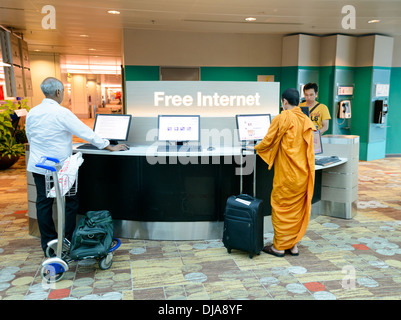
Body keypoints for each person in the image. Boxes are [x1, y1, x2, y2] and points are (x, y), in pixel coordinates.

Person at [26, 77, 128, 254]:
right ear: (58, 92)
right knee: (70, 201)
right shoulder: (61, 112)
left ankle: (49, 246)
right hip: (60, 168)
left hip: (39, 165)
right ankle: (69, 239)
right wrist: (108, 145)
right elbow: (85, 132)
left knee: (43, 204)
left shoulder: (32, 112)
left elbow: (31, 137)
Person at [254, 88, 315, 257]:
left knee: (281, 208)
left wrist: (254, 147)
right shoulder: (306, 120)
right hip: (303, 174)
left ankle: (279, 247)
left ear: (284, 101)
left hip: (287, 174)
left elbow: (267, 141)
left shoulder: (281, 118)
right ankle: (293, 246)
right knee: (296, 210)